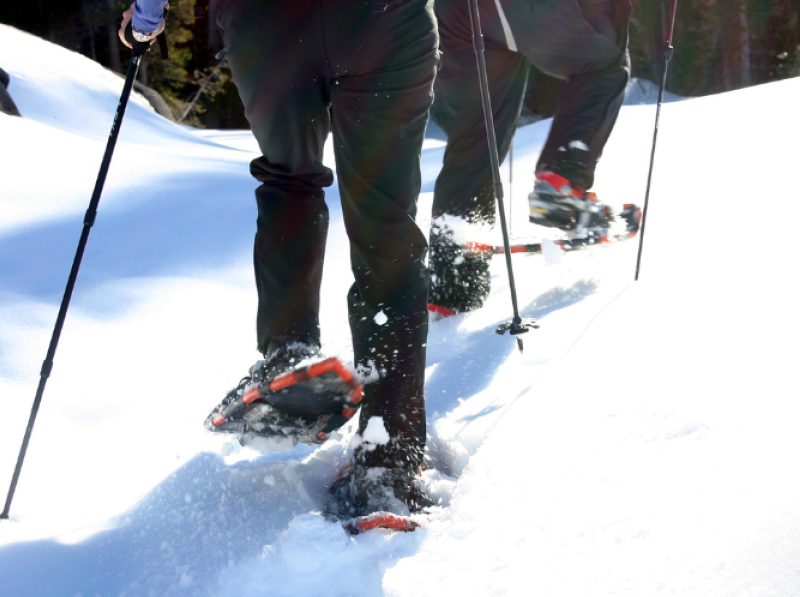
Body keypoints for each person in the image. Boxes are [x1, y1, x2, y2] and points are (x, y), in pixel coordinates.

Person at [120, 0, 439, 519]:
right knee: (385, 224)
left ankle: (288, 350)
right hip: (383, 21)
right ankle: (391, 458)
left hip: (269, 25)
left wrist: (149, 15)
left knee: (289, 180)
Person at [427, 0, 632, 314]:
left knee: (478, 131)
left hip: (458, 13)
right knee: (603, 65)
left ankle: (454, 278)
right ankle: (561, 187)